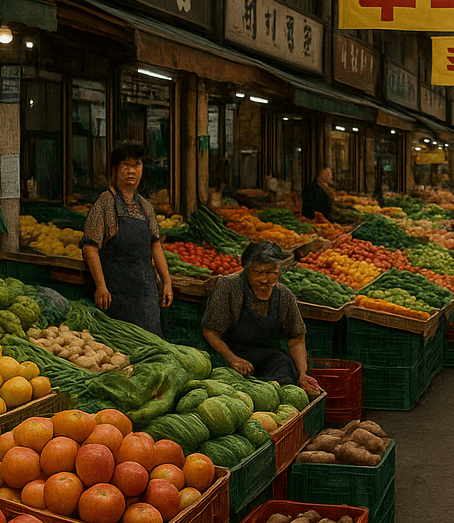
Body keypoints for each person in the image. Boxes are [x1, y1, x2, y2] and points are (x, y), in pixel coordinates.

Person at [202, 241, 321, 394]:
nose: (264, 280)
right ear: (246, 270)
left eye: (271, 272)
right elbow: (211, 332)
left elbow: (296, 338)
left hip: (265, 356)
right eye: (258, 273)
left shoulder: (284, 295)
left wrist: (302, 373)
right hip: (227, 353)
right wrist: (232, 359)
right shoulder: (228, 287)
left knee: (283, 372)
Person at [81, 141, 174, 335]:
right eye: (125, 165)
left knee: (152, 343)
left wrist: (167, 282)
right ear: (115, 169)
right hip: (116, 295)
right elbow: (90, 247)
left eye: (136, 165)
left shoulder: (145, 206)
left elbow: (155, 245)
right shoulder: (105, 203)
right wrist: (101, 286)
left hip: (146, 295)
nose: (131, 171)